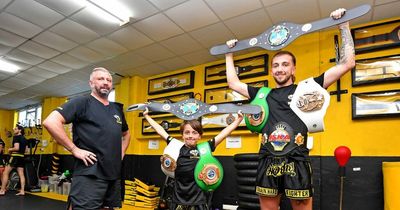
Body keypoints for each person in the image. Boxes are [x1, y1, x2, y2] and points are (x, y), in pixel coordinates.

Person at [224, 8, 355, 210]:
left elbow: (348, 63)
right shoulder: (262, 94)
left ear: (293, 69)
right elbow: (233, 83)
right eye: (276, 65)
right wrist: (229, 54)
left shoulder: (307, 88)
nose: (280, 69)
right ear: (272, 70)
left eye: (285, 65)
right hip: (267, 159)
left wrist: (343, 25)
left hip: (297, 160)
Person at [43, 67, 131, 210]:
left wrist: (121, 153)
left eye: (108, 80)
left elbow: (126, 134)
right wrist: (74, 149)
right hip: (90, 173)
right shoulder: (82, 102)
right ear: (91, 83)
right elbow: (50, 122)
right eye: (100, 79)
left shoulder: (116, 109)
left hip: (113, 174)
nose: (105, 82)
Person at [143, 108, 243, 210]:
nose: (190, 136)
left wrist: (238, 120)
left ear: (200, 136)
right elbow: (160, 130)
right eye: (187, 132)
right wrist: (147, 116)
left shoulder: (204, 148)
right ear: (182, 135)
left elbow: (223, 133)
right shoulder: (176, 147)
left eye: (194, 132)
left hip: (198, 202)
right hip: (178, 201)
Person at [0, 124, 27, 196]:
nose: (14, 130)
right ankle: (22, 191)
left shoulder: (16, 137)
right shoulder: (24, 139)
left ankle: (2, 190)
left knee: (5, 173)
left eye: (15, 129)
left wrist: (9, 149)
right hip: (22, 157)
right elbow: (26, 150)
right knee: (21, 174)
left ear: (19, 130)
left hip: (15, 157)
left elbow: (16, 148)